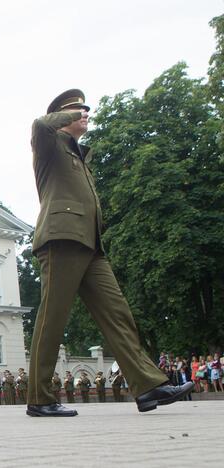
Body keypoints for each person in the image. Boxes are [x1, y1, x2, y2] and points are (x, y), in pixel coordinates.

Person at [26, 89, 192, 417]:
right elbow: (39, 125)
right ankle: (40, 398)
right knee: (53, 319)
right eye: (77, 109)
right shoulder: (49, 145)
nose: (85, 113)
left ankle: (147, 385)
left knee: (119, 315)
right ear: (62, 115)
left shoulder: (78, 154)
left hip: (90, 243)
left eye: (86, 109)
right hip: (61, 239)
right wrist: (69, 115)